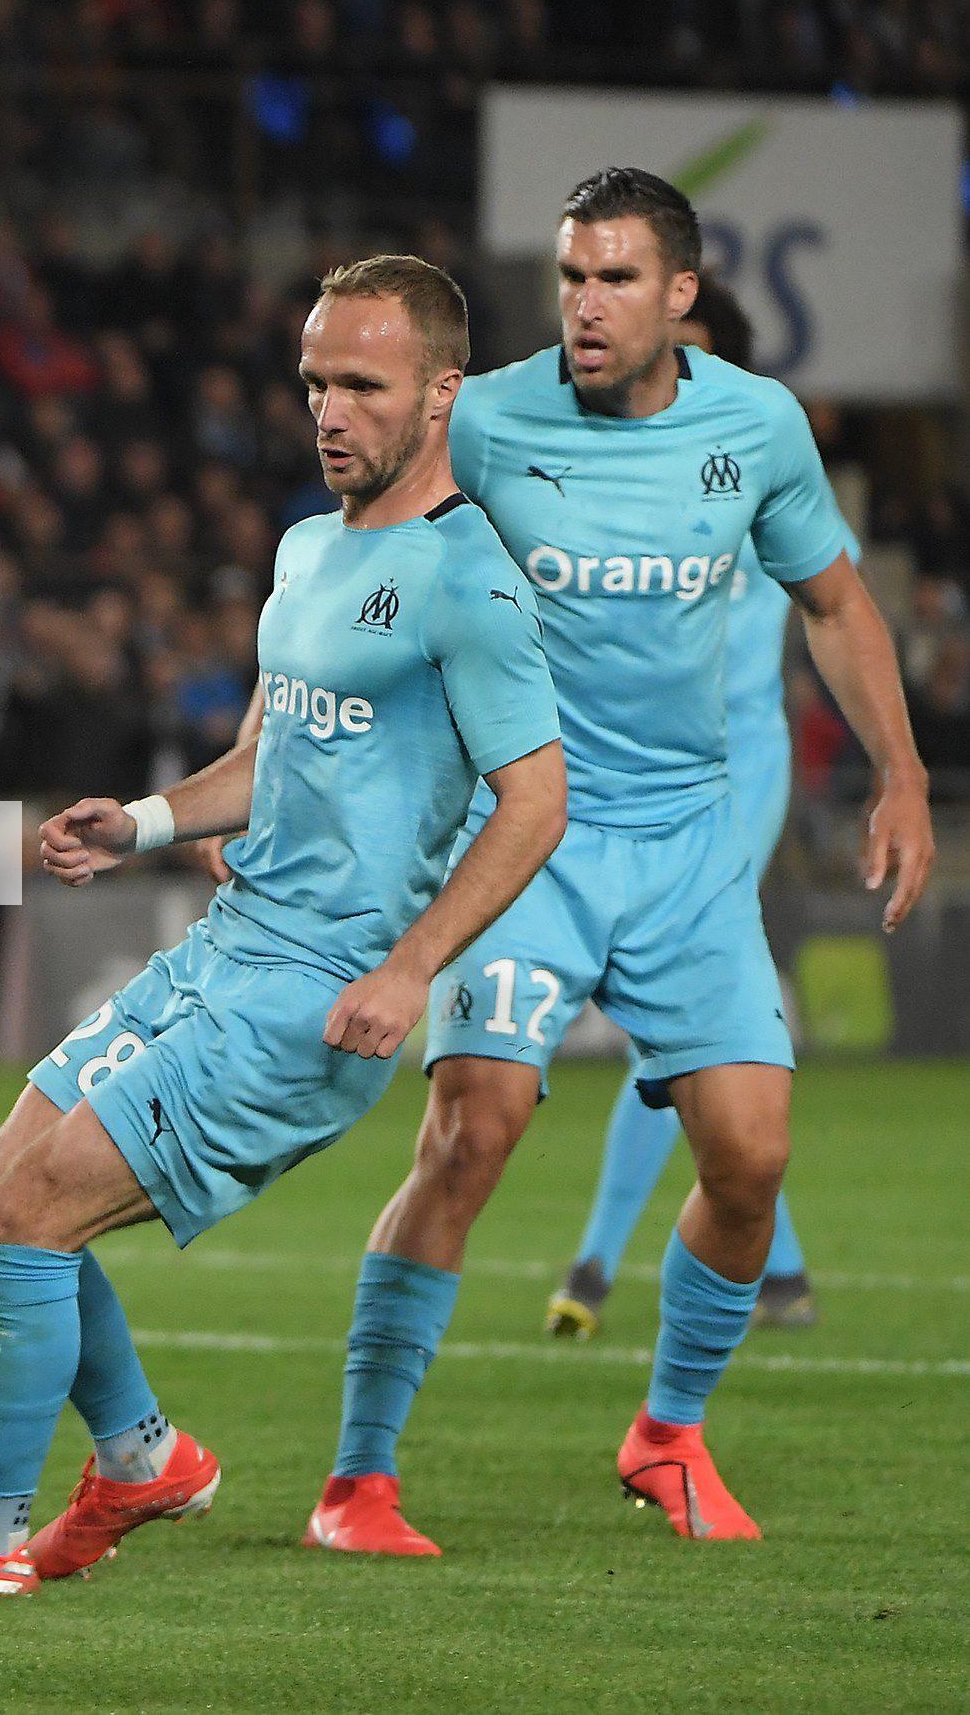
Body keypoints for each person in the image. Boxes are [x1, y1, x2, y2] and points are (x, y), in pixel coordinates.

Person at [0, 255, 565, 1604]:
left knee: (33, 1215)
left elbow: (539, 801)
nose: (330, 411)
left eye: (364, 383)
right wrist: (146, 824)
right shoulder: (308, 549)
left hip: (321, 989)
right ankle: (140, 1458)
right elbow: (263, 753)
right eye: (314, 383)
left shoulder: (475, 580)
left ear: (441, 393)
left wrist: (412, 971)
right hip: (227, 947)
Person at [308, 170, 933, 1557]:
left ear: (681, 295)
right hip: (530, 840)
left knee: (752, 1160)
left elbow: (835, 600)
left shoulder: (759, 430)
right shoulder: (487, 417)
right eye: (572, 277)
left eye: (617, 281)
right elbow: (349, 572)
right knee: (474, 1129)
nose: (585, 307)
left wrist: (899, 770)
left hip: (692, 849)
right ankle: (358, 1480)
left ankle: (667, 1435)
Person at [546, 276, 827, 1339]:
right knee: (695, 1029)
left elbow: (834, 603)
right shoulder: (614, 472)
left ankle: (594, 1262)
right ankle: (783, 1266)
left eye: (699, 352)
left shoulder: (759, 458)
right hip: (638, 771)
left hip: (738, 769)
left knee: (668, 1021)